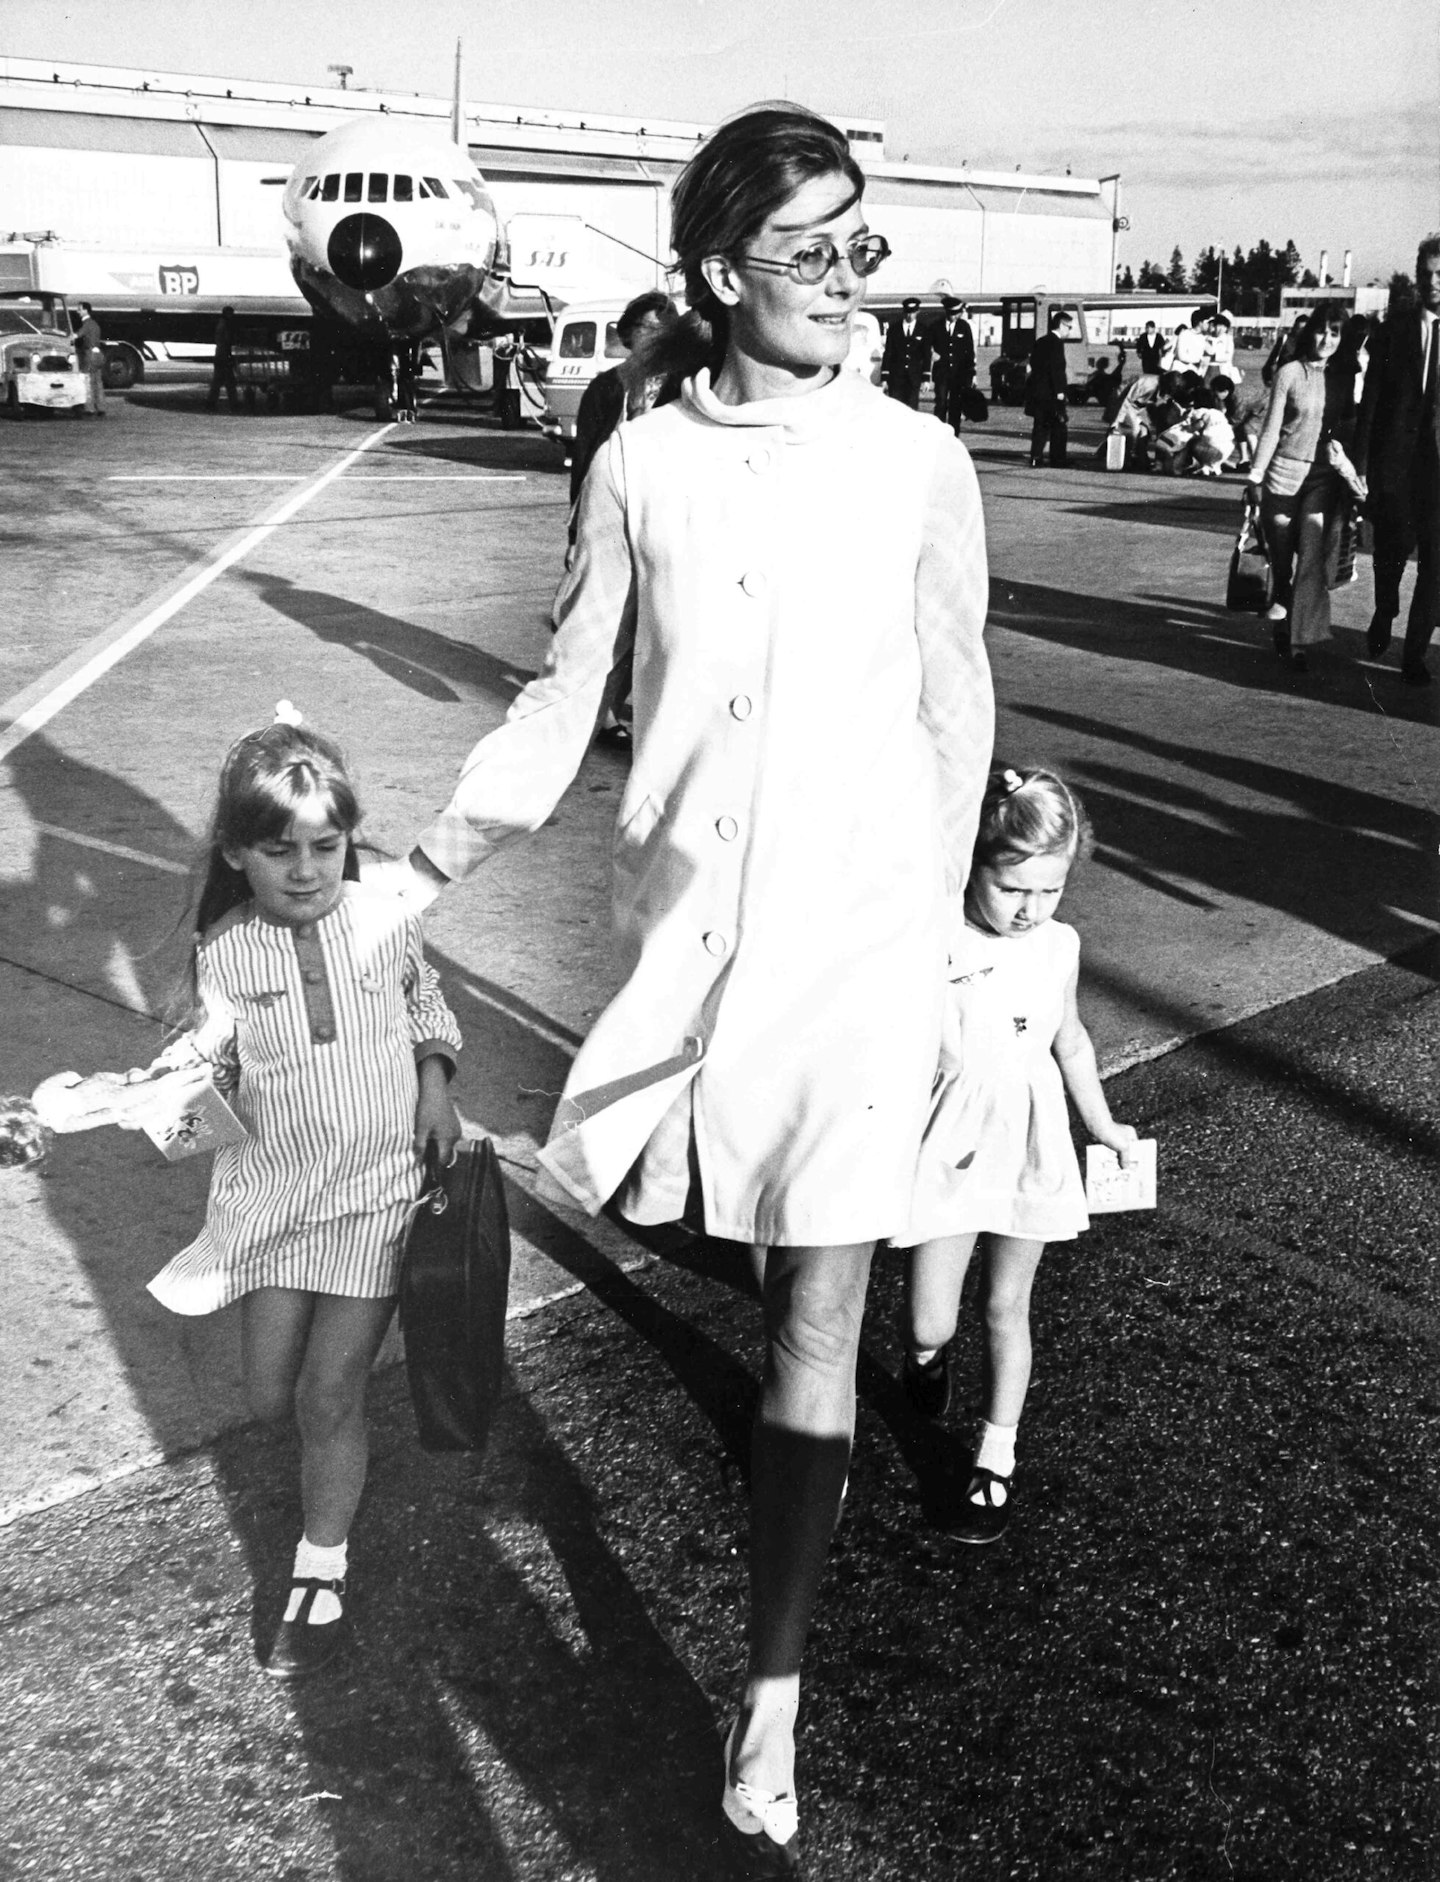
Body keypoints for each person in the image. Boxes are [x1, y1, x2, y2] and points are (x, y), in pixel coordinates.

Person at [399, 103, 993, 1875]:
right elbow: (564, 696)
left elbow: (957, 703)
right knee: (681, 1211)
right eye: (812, 247)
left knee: (821, 1304)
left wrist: (958, 943)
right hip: (690, 942)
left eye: (859, 240)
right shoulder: (639, 461)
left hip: (867, 937)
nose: (849, 279)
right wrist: (420, 871)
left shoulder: (919, 459)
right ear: (728, 271)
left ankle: (774, 1688)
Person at [144, 710, 462, 1680]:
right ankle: (338, 1425)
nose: (308, 868)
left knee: (328, 1393)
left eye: (327, 845)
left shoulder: (385, 914)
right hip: (275, 1202)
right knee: (269, 1391)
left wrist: (437, 1083)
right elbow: (198, 1073)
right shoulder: (226, 951)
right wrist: (155, 1099)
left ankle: (320, 1565)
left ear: (349, 841)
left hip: (376, 1194)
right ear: (236, 852)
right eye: (279, 850)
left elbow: (424, 1001)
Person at [899, 766, 1138, 1542]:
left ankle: (994, 1459)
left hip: (1034, 1143)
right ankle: (927, 1358)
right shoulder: (935, 939)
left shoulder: (1058, 946)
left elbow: (1069, 1039)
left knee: (1008, 1307)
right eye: (1014, 890)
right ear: (972, 868)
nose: (1033, 910)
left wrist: (1102, 1125)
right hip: (951, 1142)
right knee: (930, 1317)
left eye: (1051, 891)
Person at [1354, 232, 1440, 685]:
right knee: (1390, 553)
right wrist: (1362, 463)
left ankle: (1415, 656)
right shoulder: (1395, 329)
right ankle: (1385, 610)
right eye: (1426, 273)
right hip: (1398, 467)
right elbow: (1370, 400)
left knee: (1436, 566)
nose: (1433, 282)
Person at [1247, 302, 1353, 670]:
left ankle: (1298, 642)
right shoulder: (1289, 373)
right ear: (1310, 333)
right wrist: (1255, 476)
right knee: (1281, 559)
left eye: (1335, 332)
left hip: (1321, 479)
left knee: (1310, 555)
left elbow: (1349, 426)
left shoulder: (1343, 377)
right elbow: (1272, 427)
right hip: (1282, 474)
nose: (1327, 339)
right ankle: (1282, 606)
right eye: (1322, 330)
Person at [568, 291, 679, 515]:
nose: (657, 337)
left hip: (660, 508)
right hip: (610, 503)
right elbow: (583, 457)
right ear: (629, 332)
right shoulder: (604, 387)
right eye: (648, 328)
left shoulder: (681, 386)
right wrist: (577, 526)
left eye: (665, 330)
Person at [1026, 307, 1072, 467]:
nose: (1070, 331)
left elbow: (1033, 364)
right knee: (1059, 426)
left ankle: (1035, 457)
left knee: (1040, 427)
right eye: (1069, 327)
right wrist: (1060, 391)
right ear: (1062, 325)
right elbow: (1056, 369)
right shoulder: (1056, 343)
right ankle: (1058, 459)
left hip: (1038, 392)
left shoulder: (1041, 341)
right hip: (1052, 393)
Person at [928, 294, 976, 431]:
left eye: (955, 313)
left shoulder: (964, 327)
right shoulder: (936, 326)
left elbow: (969, 352)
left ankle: (954, 436)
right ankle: (940, 433)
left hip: (959, 375)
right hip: (942, 373)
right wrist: (932, 353)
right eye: (950, 313)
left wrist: (971, 374)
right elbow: (927, 344)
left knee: (956, 406)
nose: (952, 316)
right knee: (941, 403)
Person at [881, 294, 930, 407]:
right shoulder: (894, 329)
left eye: (912, 312)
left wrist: (926, 378)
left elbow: (926, 355)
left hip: (914, 378)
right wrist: (884, 378)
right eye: (908, 312)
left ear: (917, 312)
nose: (910, 315)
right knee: (896, 408)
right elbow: (888, 353)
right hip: (896, 377)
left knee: (912, 409)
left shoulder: (923, 330)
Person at [74, 301, 105, 417]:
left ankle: (90, 408)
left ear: (85, 310)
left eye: (80, 309)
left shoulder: (86, 324)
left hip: (89, 354)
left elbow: (76, 336)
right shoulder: (95, 324)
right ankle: (101, 407)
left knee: (88, 380)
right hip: (98, 353)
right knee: (98, 381)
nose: (78, 311)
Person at [208, 305, 240, 411]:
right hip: (223, 355)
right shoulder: (225, 325)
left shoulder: (221, 323)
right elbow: (225, 340)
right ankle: (233, 403)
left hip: (220, 354)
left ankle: (212, 402)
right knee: (229, 381)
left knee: (218, 380)